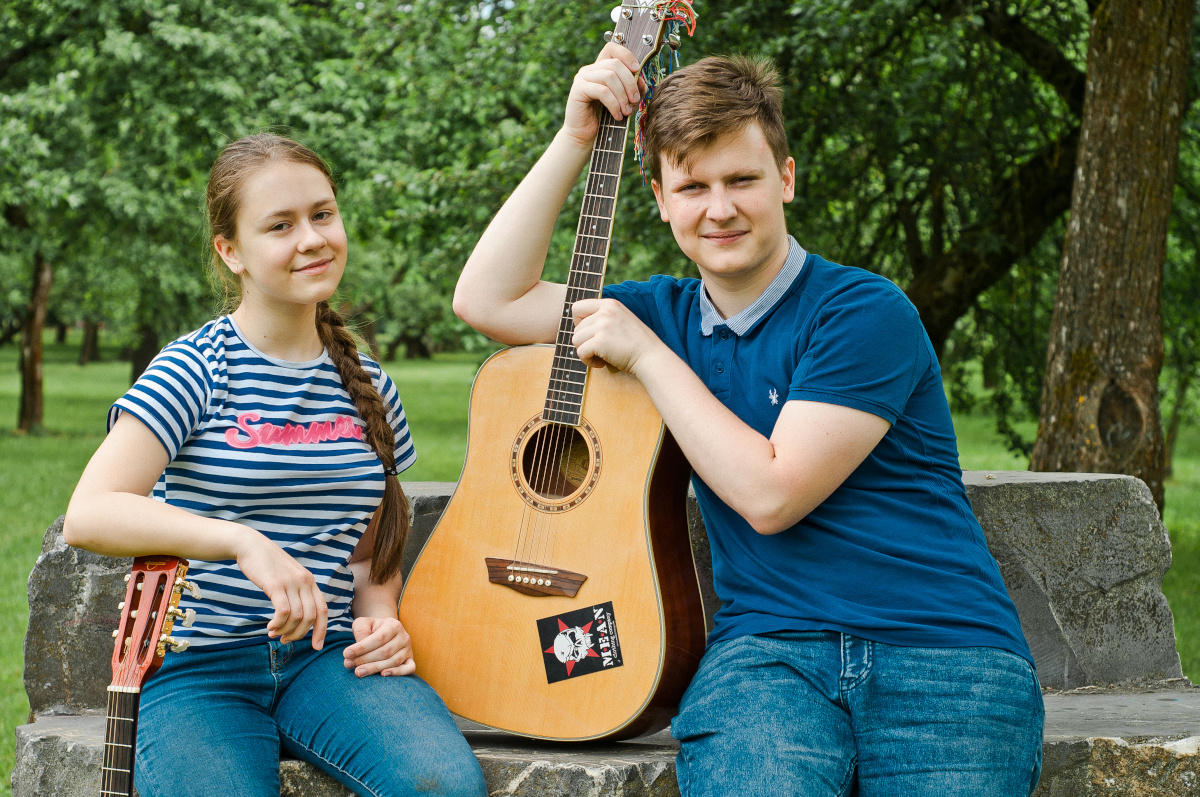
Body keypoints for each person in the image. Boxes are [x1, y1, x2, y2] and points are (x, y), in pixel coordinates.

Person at [453, 44, 1044, 796]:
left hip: (944, 654)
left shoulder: (862, 311)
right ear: (662, 200)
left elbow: (772, 494)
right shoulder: (658, 313)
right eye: (691, 185)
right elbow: (487, 300)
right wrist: (576, 137)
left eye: (742, 179)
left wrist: (648, 357)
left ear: (786, 179)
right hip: (767, 657)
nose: (720, 208)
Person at [64, 133, 487, 797]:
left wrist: (380, 611)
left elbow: (372, 542)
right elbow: (90, 511)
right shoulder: (193, 369)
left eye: (323, 214)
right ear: (230, 251)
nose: (312, 239)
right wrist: (241, 541)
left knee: (446, 787)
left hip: (330, 660)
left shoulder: (368, 382)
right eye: (280, 226)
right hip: (197, 668)